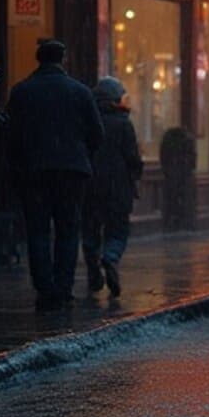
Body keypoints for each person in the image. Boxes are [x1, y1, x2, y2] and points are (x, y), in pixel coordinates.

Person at [5, 40, 105, 311]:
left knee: (37, 230)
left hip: (34, 170)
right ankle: (63, 286)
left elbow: (10, 135)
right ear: (63, 59)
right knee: (68, 229)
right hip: (72, 171)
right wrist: (79, 154)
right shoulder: (80, 92)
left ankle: (44, 288)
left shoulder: (22, 91)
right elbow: (97, 134)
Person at [84, 76, 144, 299]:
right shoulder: (122, 124)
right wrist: (136, 173)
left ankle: (93, 273)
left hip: (90, 185)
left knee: (90, 231)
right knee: (117, 230)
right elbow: (132, 157)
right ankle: (110, 257)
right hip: (118, 187)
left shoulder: (88, 122)